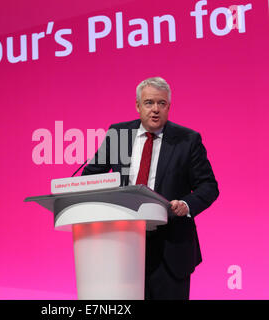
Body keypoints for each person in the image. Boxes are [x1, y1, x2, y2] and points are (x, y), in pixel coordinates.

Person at [81, 77, 219, 300]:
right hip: (123, 246)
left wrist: (186, 204)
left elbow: (209, 186)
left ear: (169, 107)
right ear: (137, 106)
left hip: (171, 248)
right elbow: (90, 176)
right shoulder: (119, 134)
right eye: (149, 103)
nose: (155, 109)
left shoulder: (187, 140)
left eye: (161, 103)